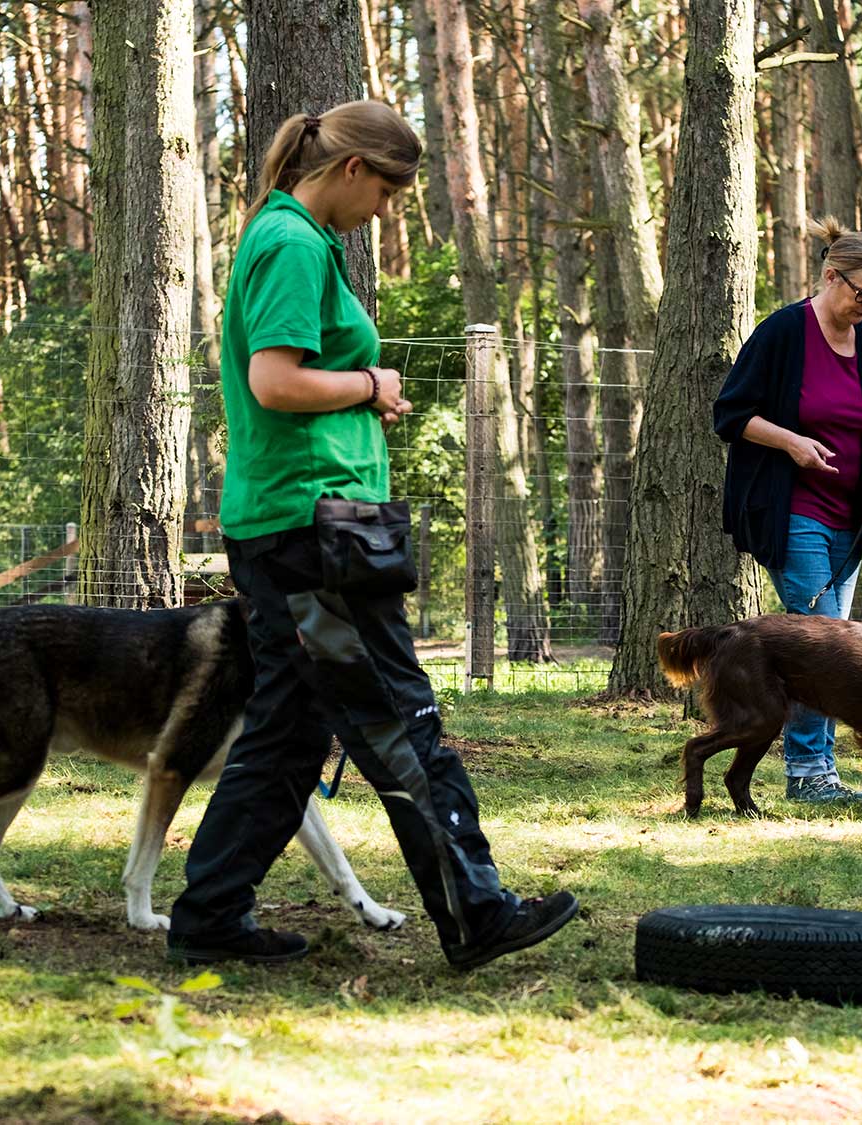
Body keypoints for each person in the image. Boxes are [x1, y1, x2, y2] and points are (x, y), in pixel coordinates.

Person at [167, 101, 577, 968]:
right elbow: (275, 381)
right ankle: (477, 911)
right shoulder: (291, 243)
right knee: (400, 717)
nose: (386, 211)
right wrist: (368, 382)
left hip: (298, 519)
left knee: (286, 730)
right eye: (388, 191)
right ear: (353, 169)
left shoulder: (288, 236)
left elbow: (299, 378)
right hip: (315, 527)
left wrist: (365, 389)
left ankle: (208, 918)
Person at [712, 216, 862, 805]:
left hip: (850, 521)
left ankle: (824, 768)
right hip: (793, 512)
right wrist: (790, 441)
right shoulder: (782, 333)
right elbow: (730, 415)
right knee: (827, 646)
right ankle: (809, 773)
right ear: (832, 277)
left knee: (836, 648)